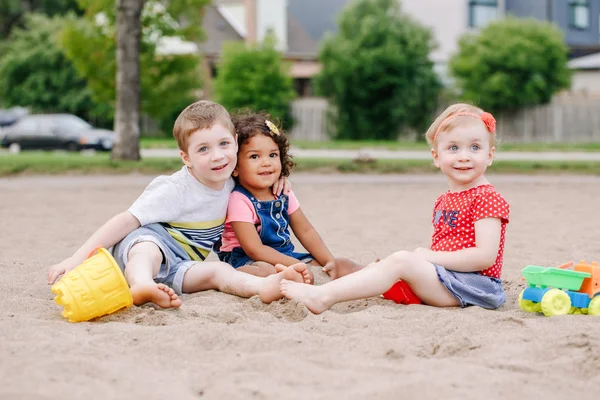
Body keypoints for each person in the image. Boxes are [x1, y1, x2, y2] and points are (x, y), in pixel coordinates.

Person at [47, 100, 310, 308]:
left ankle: (264, 287)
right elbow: (125, 220)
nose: (217, 156)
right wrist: (77, 258)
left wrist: (281, 180)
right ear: (186, 158)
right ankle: (140, 285)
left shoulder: (231, 180)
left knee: (218, 271)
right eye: (203, 149)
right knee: (148, 250)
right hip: (143, 249)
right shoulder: (174, 189)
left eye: (224, 144)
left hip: (179, 266)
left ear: (235, 144)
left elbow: (261, 176)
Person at [281, 103, 510, 313]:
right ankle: (348, 280)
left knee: (402, 260)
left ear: (490, 155)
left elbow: (484, 257)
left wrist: (428, 257)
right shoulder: (445, 199)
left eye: (475, 147)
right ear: (436, 157)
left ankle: (321, 297)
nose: (464, 156)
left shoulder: (486, 197)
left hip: (475, 287)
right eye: (453, 148)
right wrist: (426, 261)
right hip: (448, 280)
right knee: (386, 265)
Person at [217, 112, 357, 281]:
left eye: (273, 155)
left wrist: (327, 261)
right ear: (235, 166)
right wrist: (295, 265)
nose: (266, 162)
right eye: (254, 156)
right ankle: (231, 277)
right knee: (265, 270)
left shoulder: (283, 192)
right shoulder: (239, 200)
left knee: (340, 264)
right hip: (245, 258)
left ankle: (376, 273)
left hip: (284, 255)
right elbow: (255, 249)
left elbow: (306, 230)